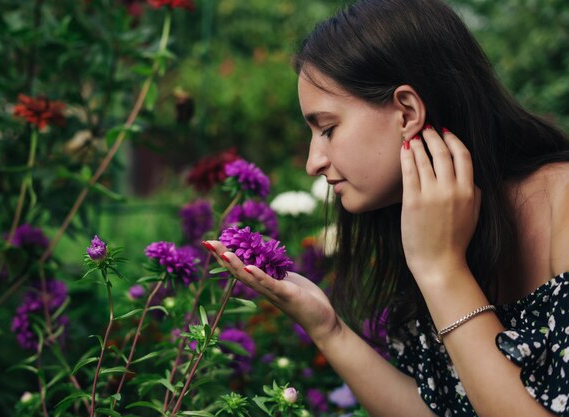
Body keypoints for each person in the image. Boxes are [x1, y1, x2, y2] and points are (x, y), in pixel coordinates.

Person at [204, 0, 569, 415]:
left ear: (407, 112)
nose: (313, 162)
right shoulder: (423, 220)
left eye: (328, 129)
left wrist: (442, 269)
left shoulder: (564, 205)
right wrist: (328, 329)